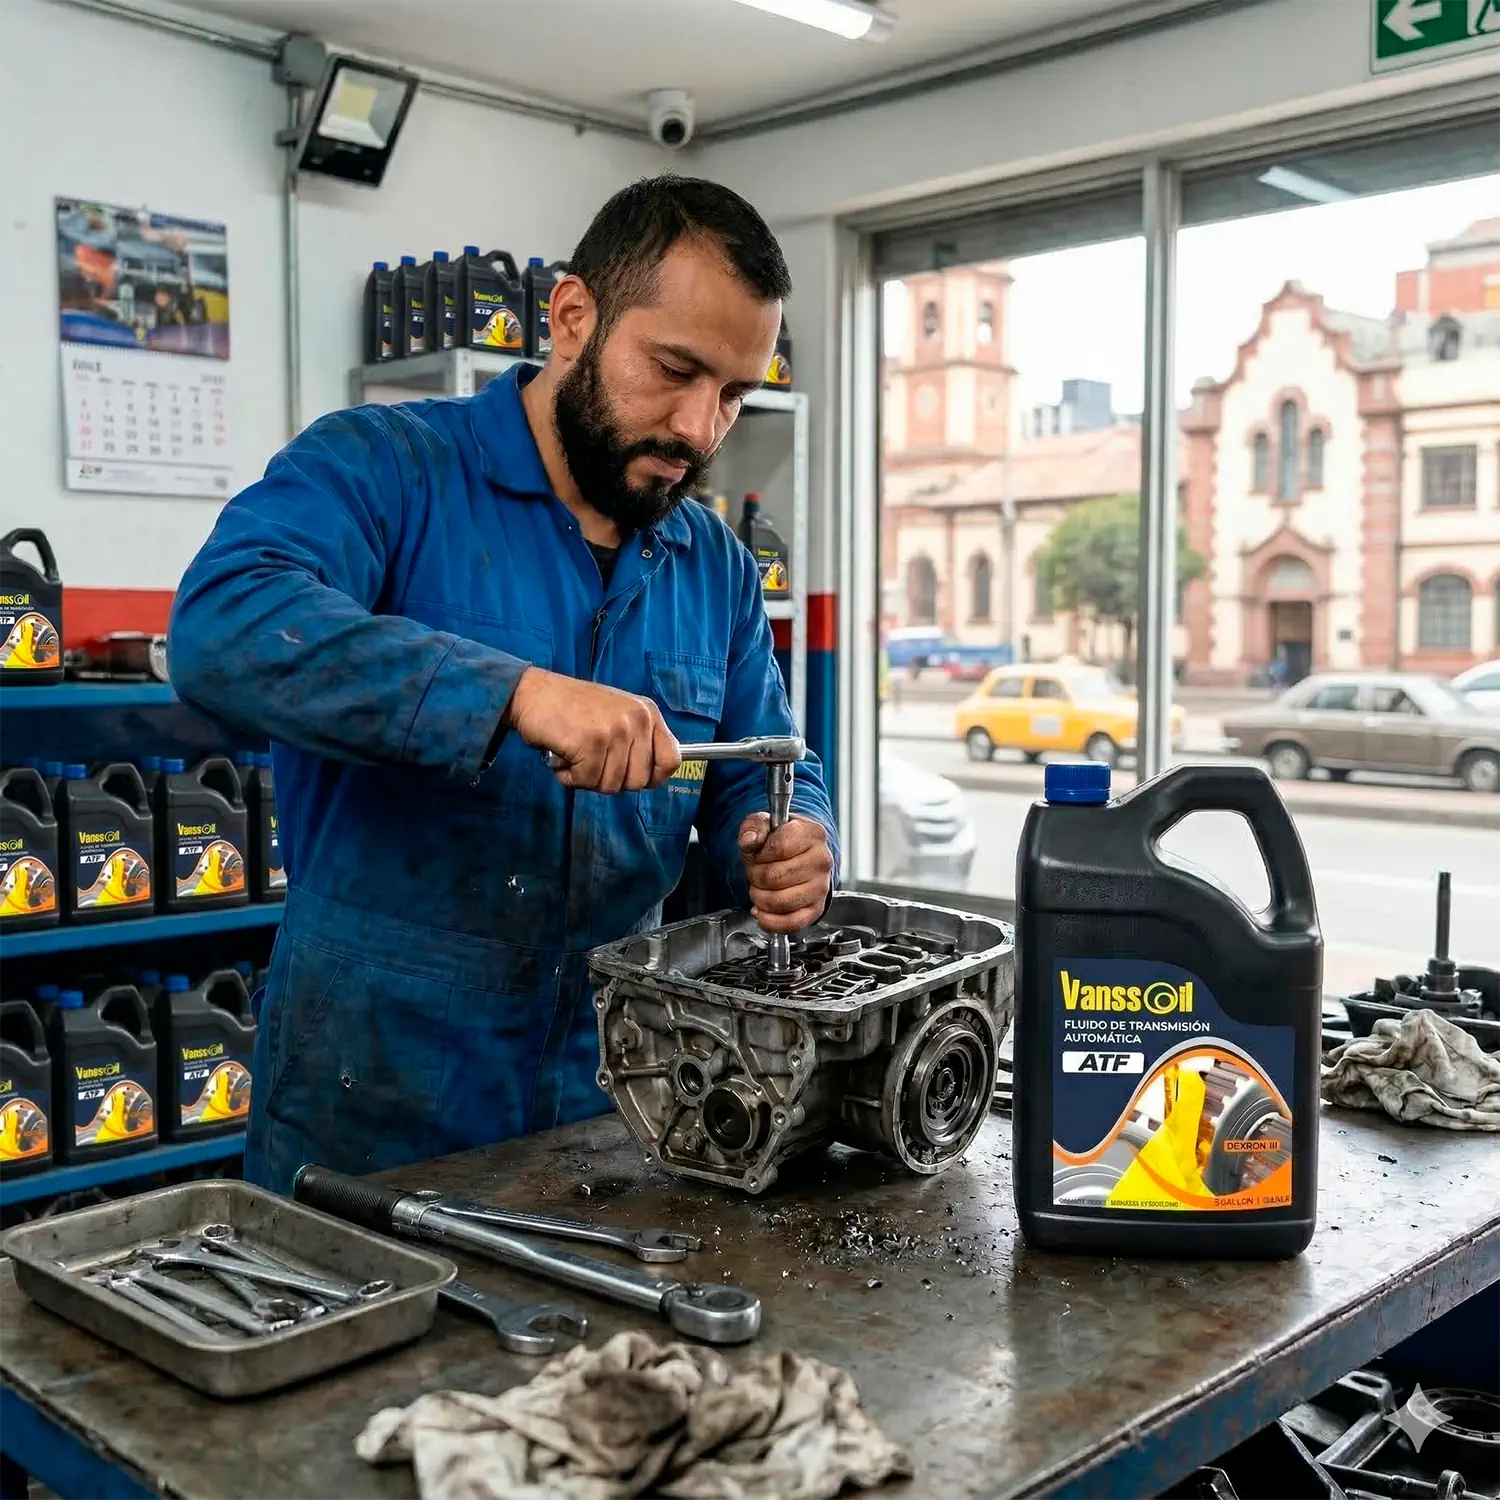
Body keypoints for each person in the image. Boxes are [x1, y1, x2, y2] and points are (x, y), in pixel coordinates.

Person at [168, 176, 839, 1193]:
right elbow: (221, 628)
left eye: (735, 394)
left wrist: (792, 842)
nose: (702, 428)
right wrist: (514, 694)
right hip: (375, 1116)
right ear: (573, 317)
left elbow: (764, 767)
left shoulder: (714, 564)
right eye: (675, 370)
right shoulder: (385, 467)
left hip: (615, 1108)